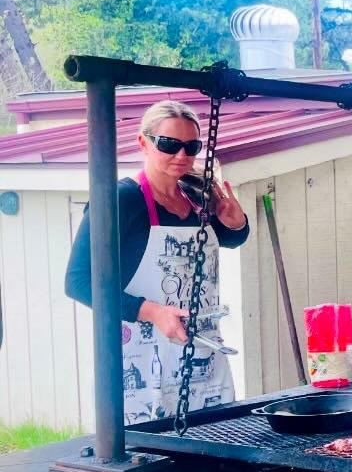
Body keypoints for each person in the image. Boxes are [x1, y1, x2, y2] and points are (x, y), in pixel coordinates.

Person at [65, 100, 250, 424]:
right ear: (143, 143)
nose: (181, 156)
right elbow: (78, 281)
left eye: (191, 147)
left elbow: (231, 239)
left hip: (204, 355)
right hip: (143, 361)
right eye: (169, 145)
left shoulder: (197, 196)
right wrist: (153, 312)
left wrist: (235, 222)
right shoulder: (120, 200)